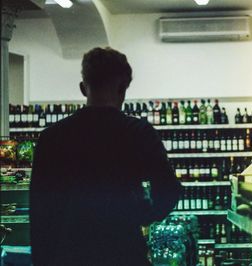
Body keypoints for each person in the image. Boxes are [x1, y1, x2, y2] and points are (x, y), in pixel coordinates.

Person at [30, 47, 182, 265]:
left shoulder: (51, 138)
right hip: (124, 251)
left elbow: (40, 213)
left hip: (69, 255)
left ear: (83, 88)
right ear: (123, 89)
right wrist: (143, 213)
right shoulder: (138, 132)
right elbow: (169, 189)